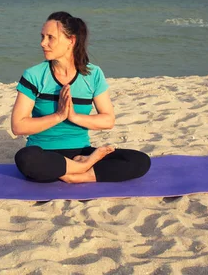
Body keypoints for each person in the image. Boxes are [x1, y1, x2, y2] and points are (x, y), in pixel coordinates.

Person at [11, 11, 151, 183]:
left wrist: (73, 116)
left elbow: (108, 121)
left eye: (50, 37)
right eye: (42, 37)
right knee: (26, 158)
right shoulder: (34, 75)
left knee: (140, 161)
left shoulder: (93, 74)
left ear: (71, 40)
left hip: (80, 151)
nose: (43, 43)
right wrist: (59, 116)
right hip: (43, 152)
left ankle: (79, 175)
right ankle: (82, 168)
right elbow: (18, 126)